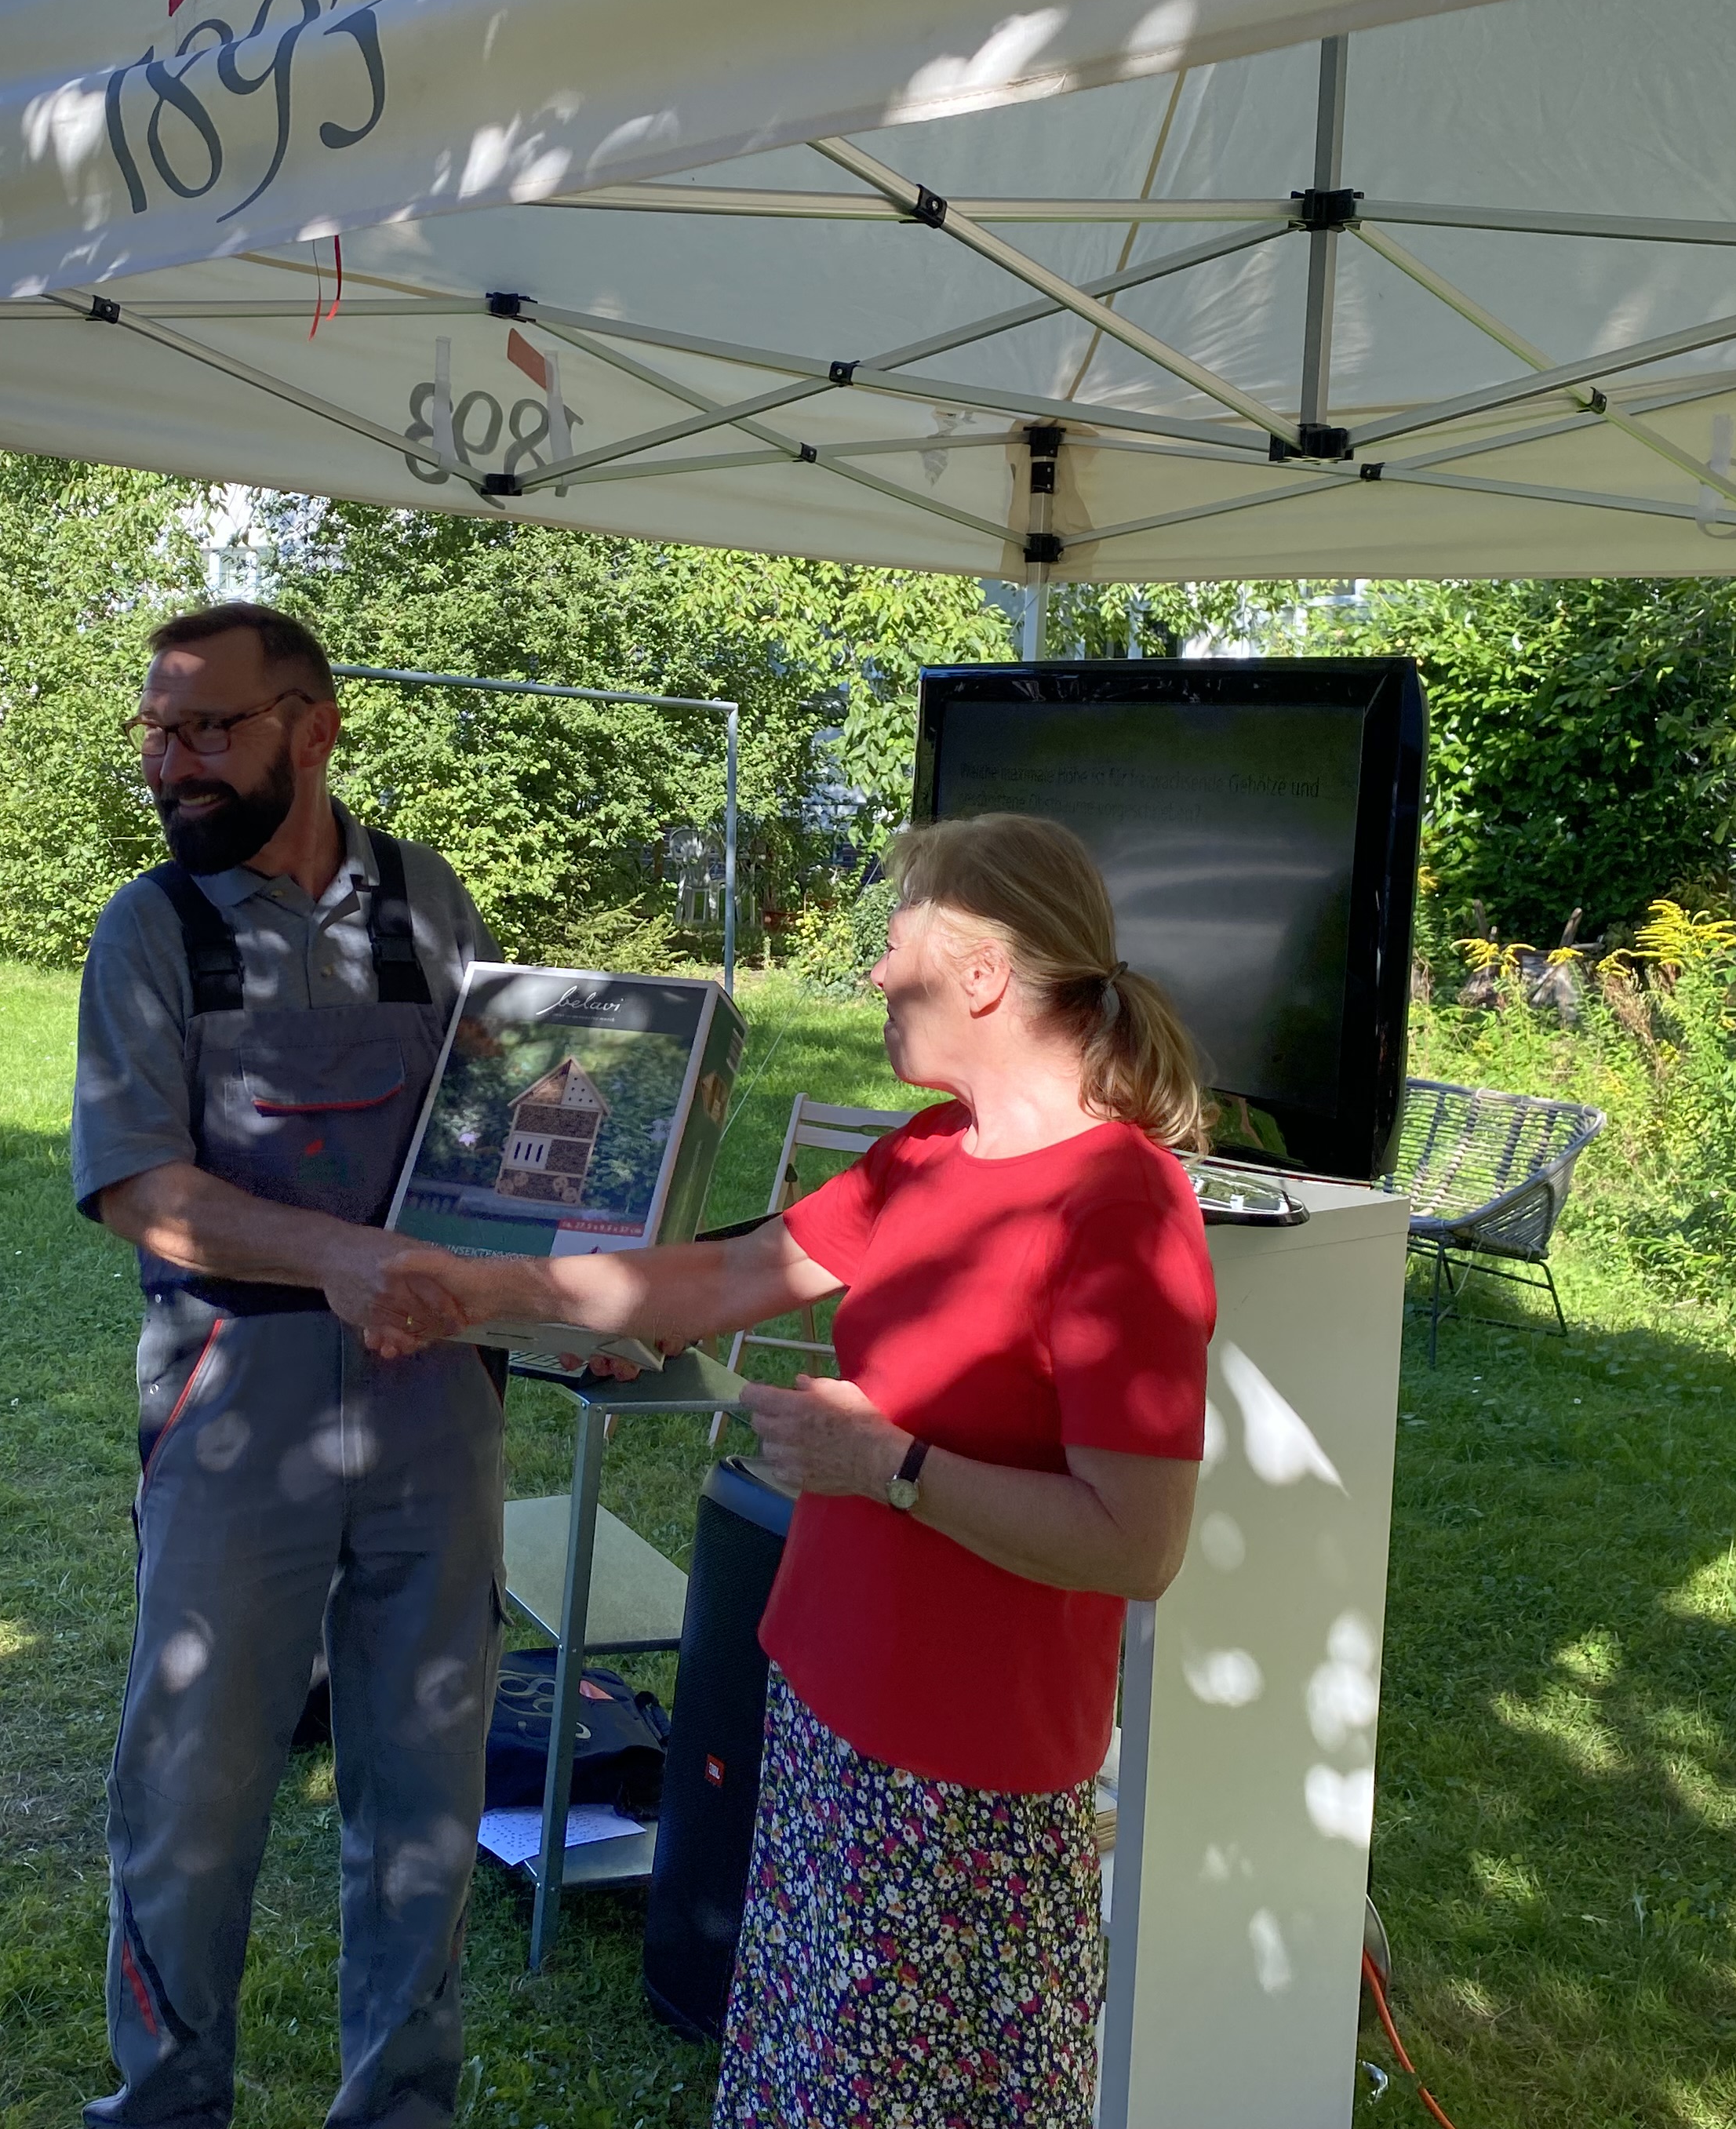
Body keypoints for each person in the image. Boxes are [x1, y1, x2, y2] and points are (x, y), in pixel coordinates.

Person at [372, 811, 1217, 2127]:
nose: (874, 975)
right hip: (831, 1718)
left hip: (971, 1790)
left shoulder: (1123, 1207)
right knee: (809, 2080)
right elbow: (715, 1275)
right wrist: (480, 1283)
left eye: (893, 942)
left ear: (981, 974)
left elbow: (1136, 1541)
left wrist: (889, 1464)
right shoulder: (929, 1155)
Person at [71, 602, 505, 2129]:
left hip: (437, 1417)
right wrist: (336, 1258)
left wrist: (591, 1261)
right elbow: (137, 1187)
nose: (171, 764)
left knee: (427, 1804)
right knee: (189, 1797)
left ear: (313, 729)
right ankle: (167, 2105)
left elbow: (500, 1138)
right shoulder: (152, 931)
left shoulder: (431, 905)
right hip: (232, 1413)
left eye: (207, 730)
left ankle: (402, 2111)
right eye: (156, 733)